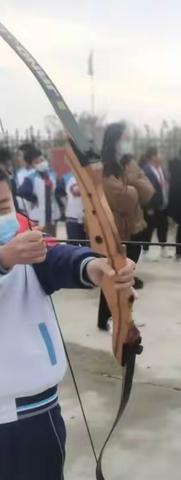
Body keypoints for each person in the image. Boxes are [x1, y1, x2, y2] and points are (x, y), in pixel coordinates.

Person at [0, 165, 136, 480]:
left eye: (4, 207)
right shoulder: (14, 252)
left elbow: (60, 258)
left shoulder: (26, 244)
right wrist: (4, 258)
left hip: (35, 409)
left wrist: (98, 267)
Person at [97, 122, 153, 331]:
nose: (129, 141)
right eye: (126, 137)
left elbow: (148, 191)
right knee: (114, 275)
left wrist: (132, 184)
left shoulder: (127, 163)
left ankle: (117, 317)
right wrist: (133, 185)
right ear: (115, 140)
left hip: (134, 226)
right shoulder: (105, 166)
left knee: (125, 275)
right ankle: (112, 318)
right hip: (117, 229)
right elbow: (121, 198)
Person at [16, 145, 62, 236]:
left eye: (42, 160)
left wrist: (55, 191)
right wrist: (34, 199)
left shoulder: (52, 174)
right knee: (41, 238)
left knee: (53, 238)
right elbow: (21, 192)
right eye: (37, 162)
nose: (41, 163)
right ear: (33, 165)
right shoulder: (30, 178)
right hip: (38, 215)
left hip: (53, 213)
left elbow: (60, 190)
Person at [140, 146, 170, 261]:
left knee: (163, 226)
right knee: (149, 228)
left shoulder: (162, 169)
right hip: (151, 206)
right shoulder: (146, 170)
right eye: (159, 153)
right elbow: (145, 190)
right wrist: (148, 206)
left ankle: (163, 249)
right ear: (153, 157)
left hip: (163, 203)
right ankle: (145, 251)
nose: (161, 156)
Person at [57, 172, 86, 241]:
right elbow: (60, 195)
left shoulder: (90, 176)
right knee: (75, 244)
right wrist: (66, 207)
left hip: (90, 219)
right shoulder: (66, 178)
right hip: (73, 219)